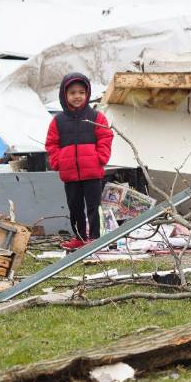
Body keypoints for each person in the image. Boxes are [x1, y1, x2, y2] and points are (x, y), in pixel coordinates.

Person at [44, 73, 114, 250]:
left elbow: (106, 136)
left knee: (93, 206)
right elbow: (51, 143)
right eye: (73, 92)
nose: (77, 96)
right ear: (64, 95)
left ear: (87, 94)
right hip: (70, 174)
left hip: (92, 172)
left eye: (81, 92)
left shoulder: (96, 117)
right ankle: (80, 238)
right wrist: (58, 162)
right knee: (74, 207)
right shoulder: (58, 121)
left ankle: (96, 238)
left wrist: (100, 158)